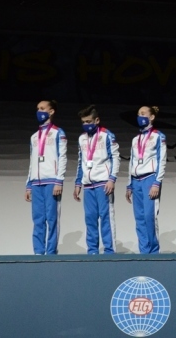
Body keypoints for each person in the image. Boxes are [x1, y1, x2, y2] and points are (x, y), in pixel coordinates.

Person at [73, 105, 120, 254]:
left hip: (104, 183)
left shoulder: (107, 135)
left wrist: (112, 179)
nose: (86, 125)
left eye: (89, 121)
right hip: (88, 185)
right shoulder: (81, 138)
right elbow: (81, 161)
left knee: (106, 217)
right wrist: (78, 182)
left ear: (97, 120)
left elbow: (115, 158)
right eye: (84, 122)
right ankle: (92, 251)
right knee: (90, 218)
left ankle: (109, 251)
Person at [25, 100, 67, 255]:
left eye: (42, 108)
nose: (39, 111)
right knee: (37, 220)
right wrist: (28, 184)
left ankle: (50, 252)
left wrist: (59, 181)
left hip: (51, 181)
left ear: (51, 111)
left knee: (52, 219)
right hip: (36, 182)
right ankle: (38, 252)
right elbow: (32, 161)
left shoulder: (58, 133)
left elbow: (62, 158)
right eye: (37, 109)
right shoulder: (33, 137)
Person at [126, 106, 166, 254]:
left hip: (150, 179)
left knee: (150, 217)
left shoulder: (158, 136)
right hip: (136, 181)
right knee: (140, 218)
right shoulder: (135, 139)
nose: (139, 116)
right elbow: (132, 161)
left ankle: (154, 252)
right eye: (138, 114)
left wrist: (157, 182)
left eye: (143, 114)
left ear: (152, 117)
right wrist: (129, 184)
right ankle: (144, 252)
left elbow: (162, 160)